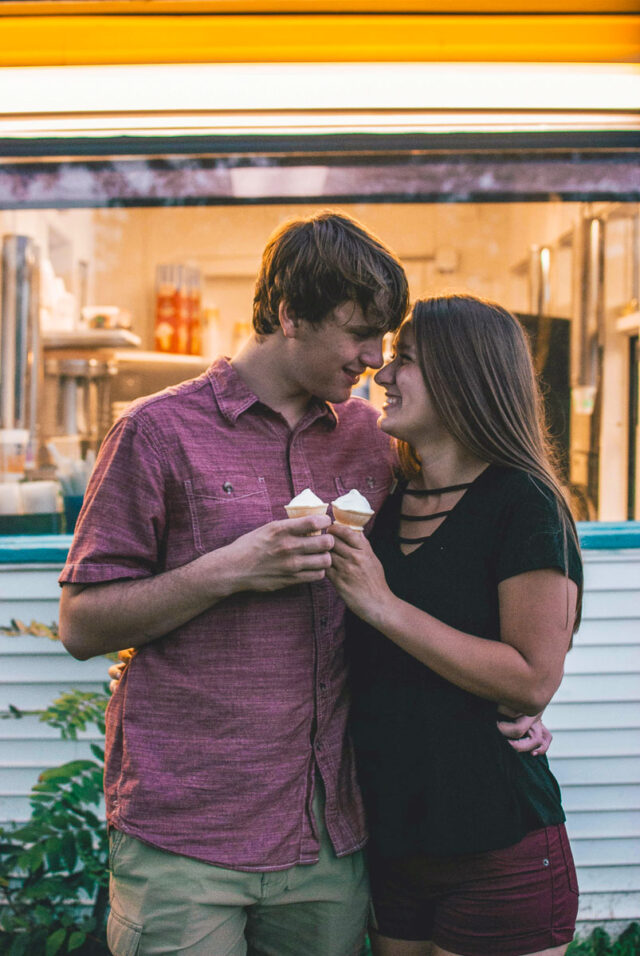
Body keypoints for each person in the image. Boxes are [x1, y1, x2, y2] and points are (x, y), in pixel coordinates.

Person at [60, 213, 548, 956]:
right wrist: (228, 569)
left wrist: (515, 699)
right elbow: (81, 626)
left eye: (385, 341)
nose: (374, 360)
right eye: (359, 335)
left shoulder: (376, 440)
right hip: (189, 835)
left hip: (331, 836)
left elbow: (461, 575)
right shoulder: (156, 433)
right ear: (290, 314)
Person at [327, 294, 583, 956]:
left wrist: (383, 606)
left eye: (404, 359)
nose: (382, 375)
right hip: (395, 842)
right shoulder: (385, 502)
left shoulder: (524, 504)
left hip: (496, 846)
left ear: (462, 374)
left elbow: (530, 680)